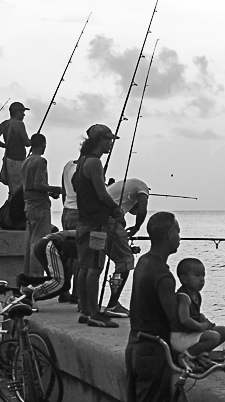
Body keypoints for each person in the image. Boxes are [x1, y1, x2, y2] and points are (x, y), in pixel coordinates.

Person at [72, 124, 124, 328]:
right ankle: (94, 313)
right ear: (98, 141)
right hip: (96, 225)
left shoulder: (81, 162)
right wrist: (116, 210)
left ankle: (85, 310)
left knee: (84, 267)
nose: (110, 143)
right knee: (94, 268)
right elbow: (102, 194)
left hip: (84, 222)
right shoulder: (94, 163)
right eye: (107, 139)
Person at [125, 211, 181, 402]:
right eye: (178, 232)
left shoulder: (143, 262)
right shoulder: (163, 276)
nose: (179, 238)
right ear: (170, 234)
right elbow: (175, 319)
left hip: (134, 346)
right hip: (153, 353)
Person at [103, 178, 150, 318]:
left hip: (95, 220)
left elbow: (132, 210)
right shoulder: (143, 186)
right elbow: (141, 211)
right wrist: (137, 227)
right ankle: (112, 305)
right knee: (124, 261)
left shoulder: (122, 187)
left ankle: (85, 304)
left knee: (94, 262)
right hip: (109, 220)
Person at [171, 258, 225, 368]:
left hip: (190, 334)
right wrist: (200, 326)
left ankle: (200, 354)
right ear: (184, 279)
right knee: (213, 337)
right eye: (197, 276)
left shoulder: (196, 295)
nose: (202, 280)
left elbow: (194, 314)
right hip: (180, 336)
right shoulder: (184, 297)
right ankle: (186, 356)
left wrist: (202, 318)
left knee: (223, 331)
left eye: (203, 275)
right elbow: (184, 319)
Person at [22, 133, 61, 276]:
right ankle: (36, 279)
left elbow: (30, 185)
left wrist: (49, 192)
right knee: (39, 245)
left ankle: (27, 278)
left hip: (29, 206)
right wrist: (57, 190)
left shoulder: (26, 161)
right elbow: (39, 185)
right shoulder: (41, 161)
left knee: (29, 245)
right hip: (40, 207)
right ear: (43, 144)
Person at [17, 230, 77, 301]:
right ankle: (28, 293)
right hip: (51, 246)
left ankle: (26, 280)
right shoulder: (89, 239)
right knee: (61, 283)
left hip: (46, 244)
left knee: (59, 281)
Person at [0, 101, 32, 198]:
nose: (24, 114)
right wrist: (35, 141)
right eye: (22, 112)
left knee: (12, 190)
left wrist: (6, 146)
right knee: (20, 189)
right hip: (18, 161)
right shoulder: (19, 124)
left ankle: (10, 209)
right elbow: (26, 143)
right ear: (17, 112)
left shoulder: (4, 124)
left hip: (7, 160)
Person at [59, 158, 79, 303]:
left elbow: (64, 192)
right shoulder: (90, 166)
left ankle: (64, 290)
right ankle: (77, 294)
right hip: (79, 214)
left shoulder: (68, 165)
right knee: (80, 256)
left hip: (67, 212)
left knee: (68, 254)